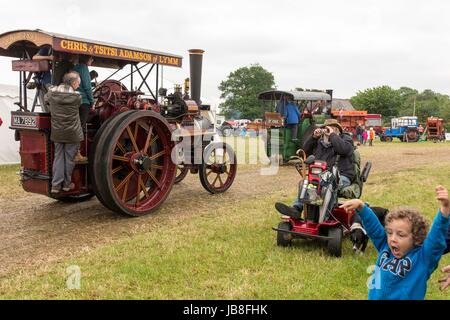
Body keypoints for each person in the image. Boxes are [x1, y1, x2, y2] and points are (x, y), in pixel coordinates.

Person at [339, 185, 450, 300]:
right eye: (389, 232)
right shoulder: (385, 247)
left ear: (416, 238)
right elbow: (375, 229)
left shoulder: (423, 258)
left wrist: (444, 210)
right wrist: (361, 207)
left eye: (400, 234)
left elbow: (435, 240)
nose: (392, 238)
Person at [275, 119, 355, 217]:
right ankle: (296, 209)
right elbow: (304, 152)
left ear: (338, 130)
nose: (328, 131)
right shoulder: (320, 142)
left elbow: (343, 150)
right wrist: (313, 137)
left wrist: (333, 135)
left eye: (333, 128)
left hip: (342, 176)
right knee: (306, 183)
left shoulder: (346, 140)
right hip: (320, 176)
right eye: (326, 129)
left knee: (327, 184)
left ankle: (326, 216)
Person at [45, 71, 84, 194]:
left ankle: (55, 186)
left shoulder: (51, 93)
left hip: (57, 132)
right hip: (73, 133)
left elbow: (46, 99)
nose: (78, 84)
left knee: (58, 158)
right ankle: (66, 185)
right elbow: (80, 105)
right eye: (78, 82)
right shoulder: (77, 96)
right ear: (72, 82)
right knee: (69, 160)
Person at [73, 55, 94, 161]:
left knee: (76, 125)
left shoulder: (74, 67)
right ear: (87, 60)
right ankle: (76, 153)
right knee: (80, 127)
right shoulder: (84, 68)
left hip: (74, 100)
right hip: (83, 102)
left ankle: (74, 151)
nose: (92, 61)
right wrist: (92, 101)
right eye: (91, 59)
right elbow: (87, 86)